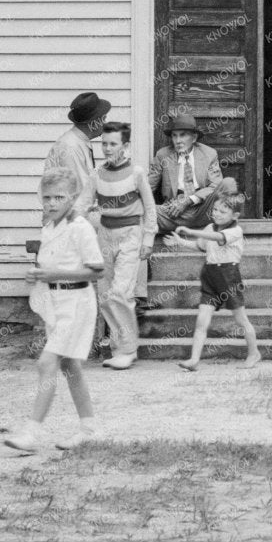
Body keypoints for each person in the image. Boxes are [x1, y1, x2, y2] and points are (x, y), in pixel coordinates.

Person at [4, 170, 105, 452]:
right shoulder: (49, 227)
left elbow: (97, 271)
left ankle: (31, 432)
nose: (51, 203)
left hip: (77, 304)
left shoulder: (80, 227)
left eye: (58, 197)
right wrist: (37, 275)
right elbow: (49, 266)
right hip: (56, 303)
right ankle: (90, 427)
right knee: (70, 366)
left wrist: (53, 274)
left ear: (73, 198)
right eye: (46, 197)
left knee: (46, 363)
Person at [92, 121, 156, 370]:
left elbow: (150, 208)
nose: (107, 149)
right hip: (105, 235)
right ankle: (119, 349)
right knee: (106, 293)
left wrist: (148, 238)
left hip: (131, 233)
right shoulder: (96, 174)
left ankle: (128, 349)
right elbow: (83, 204)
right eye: (104, 143)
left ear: (125, 145)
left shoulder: (136, 173)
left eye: (113, 144)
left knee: (121, 292)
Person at [172, 192, 261, 369]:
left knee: (241, 319)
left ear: (235, 215)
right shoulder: (209, 228)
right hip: (210, 276)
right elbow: (200, 246)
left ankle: (254, 353)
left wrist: (190, 231)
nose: (217, 214)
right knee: (201, 321)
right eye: (215, 210)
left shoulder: (236, 231)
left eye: (223, 211)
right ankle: (194, 359)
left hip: (228, 277)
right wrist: (180, 241)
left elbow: (219, 238)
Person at [150, 109, 223, 234]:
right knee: (144, 210)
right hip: (173, 212)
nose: (178, 141)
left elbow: (216, 185)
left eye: (183, 135)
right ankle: (186, 228)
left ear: (194, 138)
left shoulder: (209, 154)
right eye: (174, 135)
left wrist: (189, 200)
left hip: (202, 209)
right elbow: (148, 186)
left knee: (226, 185)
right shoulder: (163, 155)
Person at [45, 92, 109, 222]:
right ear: (94, 122)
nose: (105, 123)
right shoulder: (71, 147)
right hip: (68, 220)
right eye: (103, 119)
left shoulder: (79, 142)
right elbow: (81, 195)